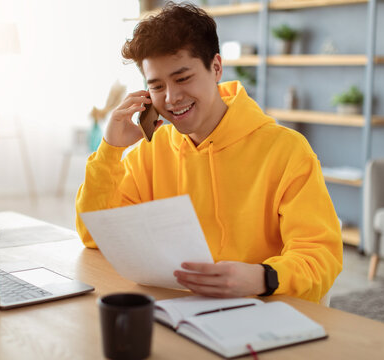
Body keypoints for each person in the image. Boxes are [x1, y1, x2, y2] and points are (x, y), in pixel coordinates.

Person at [75, 2, 342, 303]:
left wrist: (262, 276)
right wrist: (109, 150)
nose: (172, 98)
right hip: (178, 313)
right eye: (157, 86)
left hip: (263, 311)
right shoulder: (150, 152)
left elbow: (321, 255)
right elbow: (96, 237)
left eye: (182, 78)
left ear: (216, 67)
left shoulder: (286, 150)